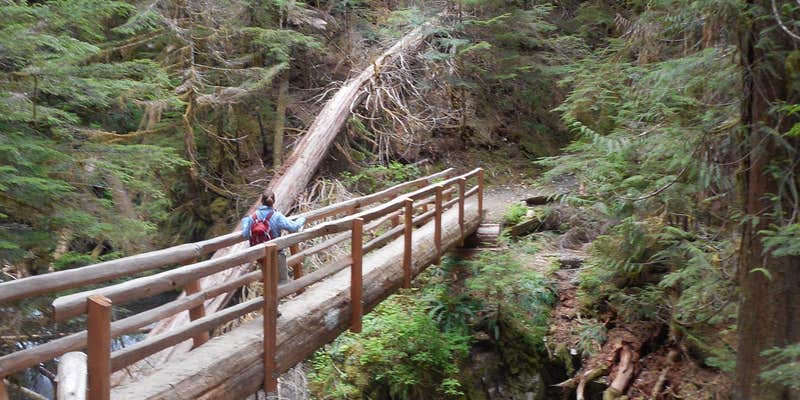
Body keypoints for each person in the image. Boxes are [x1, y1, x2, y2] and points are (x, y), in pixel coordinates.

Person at [241, 190, 306, 283]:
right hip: (276, 254)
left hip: (261, 255)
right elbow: (293, 227)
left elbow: (245, 234)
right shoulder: (276, 216)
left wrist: (245, 221)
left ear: (261, 201)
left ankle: (272, 297)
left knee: (269, 282)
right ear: (273, 201)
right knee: (282, 282)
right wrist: (302, 219)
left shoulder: (253, 217)